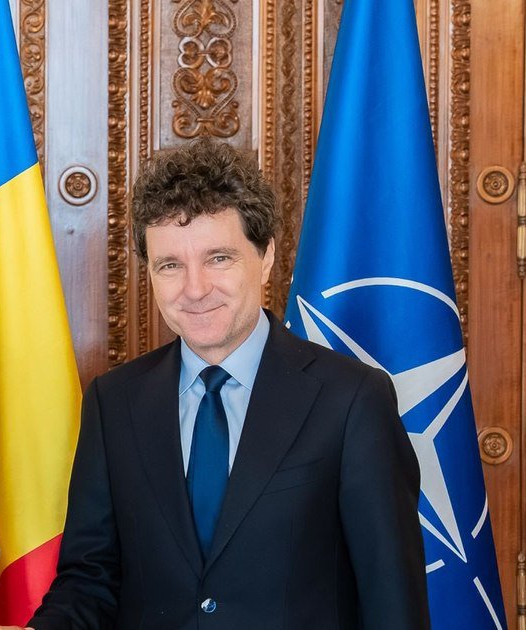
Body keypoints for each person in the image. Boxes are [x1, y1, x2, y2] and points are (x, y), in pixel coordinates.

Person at [28, 140, 430, 629]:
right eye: (170, 265)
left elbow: (392, 602)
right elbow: (90, 581)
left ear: (266, 257)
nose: (195, 289)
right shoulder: (114, 403)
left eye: (218, 258)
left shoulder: (351, 400)